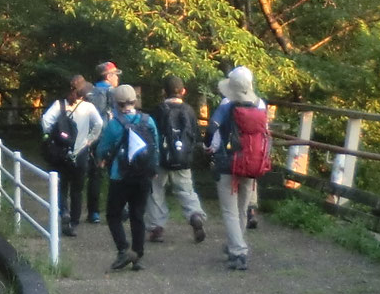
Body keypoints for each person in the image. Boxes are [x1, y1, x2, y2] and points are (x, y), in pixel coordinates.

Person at [208, 66, 272, 271]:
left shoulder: (227, 105)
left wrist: (208, 145)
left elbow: (212, 129)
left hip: (228, 162)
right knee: (243, 208)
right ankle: (237, 244)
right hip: (252, 162)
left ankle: (238, 250)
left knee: (230, 211)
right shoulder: (261, 105)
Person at [93, 84, 160, 271]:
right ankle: (137, 255)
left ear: (116, 102)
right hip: (144, 176)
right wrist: (153, 168)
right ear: (134, 101)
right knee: (137, 215)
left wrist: (101, 159)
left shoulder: (115, 125)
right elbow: (156, 147)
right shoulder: (148, 121)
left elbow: (102, 149)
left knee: (113, 214)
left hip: (120, 176)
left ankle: (123, 249)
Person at [146, 75, 207, 244]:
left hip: (161, 159)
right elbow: (194, 135)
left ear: (163, 92)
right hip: (183, 159)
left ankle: (157, 228)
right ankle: (195, 215)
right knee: (186, 191)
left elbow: (151, 134)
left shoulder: (158, 110)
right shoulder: (189, 110)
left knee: (155, 191)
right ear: (183, 91)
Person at [39, 74, 102, 237]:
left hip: (61, 152)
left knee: (61, 186)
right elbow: (99, 124)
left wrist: (52, 136)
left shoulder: (59, 105)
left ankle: (63, 213)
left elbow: (45, 121)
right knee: (77, 189)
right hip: (80, 153)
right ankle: (74, 221)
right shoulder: (88, 107)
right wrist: (90, 140)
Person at [84, 62, 120, 223]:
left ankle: (94, 213)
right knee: (116, 174)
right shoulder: (113, 93)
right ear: (108, 76)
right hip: (110, 139)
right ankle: (118, 210)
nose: (117, 78)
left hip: (92, 138)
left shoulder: (89, 92)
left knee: (95, 176)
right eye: (115, 74)